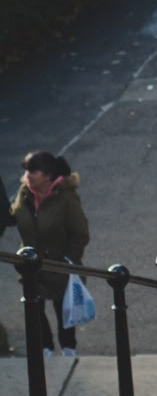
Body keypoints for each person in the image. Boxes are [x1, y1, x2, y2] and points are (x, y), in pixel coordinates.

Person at [10, 151, 90, 358]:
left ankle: (68, 348)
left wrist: (67, 260)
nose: (27, 176)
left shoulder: (66, 198)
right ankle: (45, 347)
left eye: (32, 171)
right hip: (32, 266)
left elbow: (80, 233)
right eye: (26, 171)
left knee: (62, 309)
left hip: (59, 266)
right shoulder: (24, 193)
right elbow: (14, 215)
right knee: (35, 309)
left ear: (47, 175)